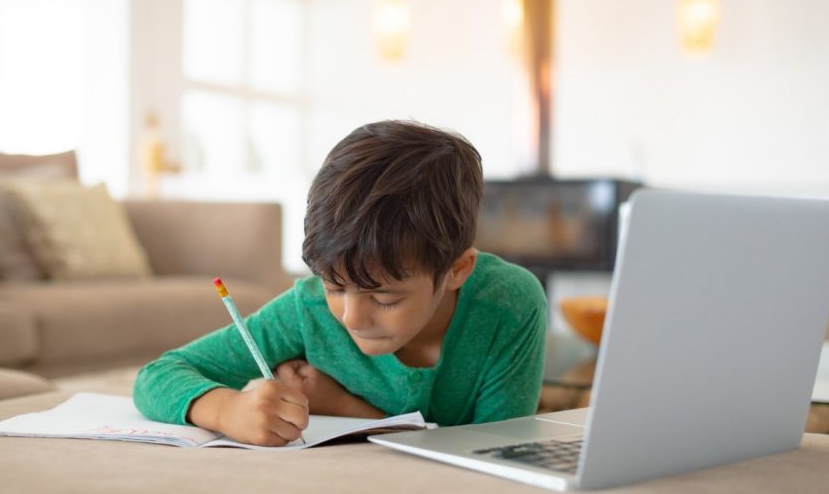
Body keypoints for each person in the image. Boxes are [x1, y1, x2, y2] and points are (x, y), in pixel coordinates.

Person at [133, 120, 548, 446]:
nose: (351, 316)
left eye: (384, 298)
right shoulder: (308, 310)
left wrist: (343, 407)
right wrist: (228, 410)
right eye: (334, 287)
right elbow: (158, 375)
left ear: (458, 270)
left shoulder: (509, 303)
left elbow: (496, 451)